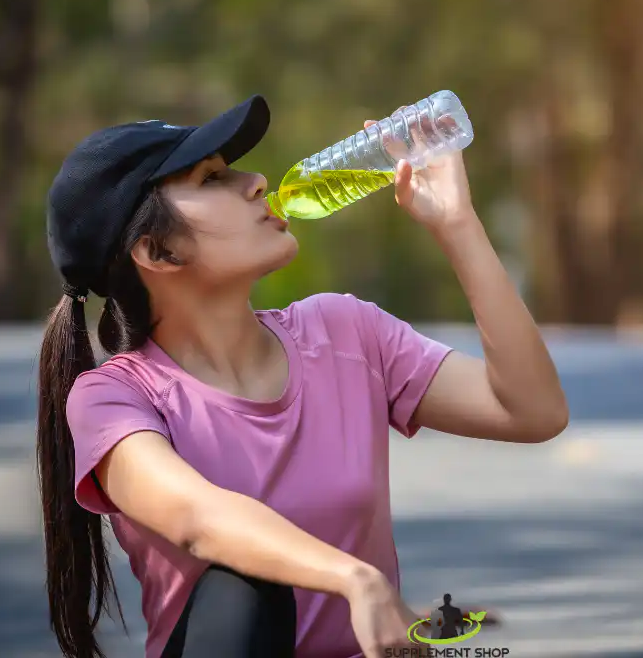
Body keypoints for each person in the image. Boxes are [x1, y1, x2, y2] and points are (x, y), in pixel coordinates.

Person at [35, 94, 569, 658]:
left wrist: (457, 224)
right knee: (242, 583)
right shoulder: (113, 397)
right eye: (212, 178)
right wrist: (354, 578)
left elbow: (532, 411)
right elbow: (200, 518)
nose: (258, 181)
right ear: (157, 251)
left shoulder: (343, 332)